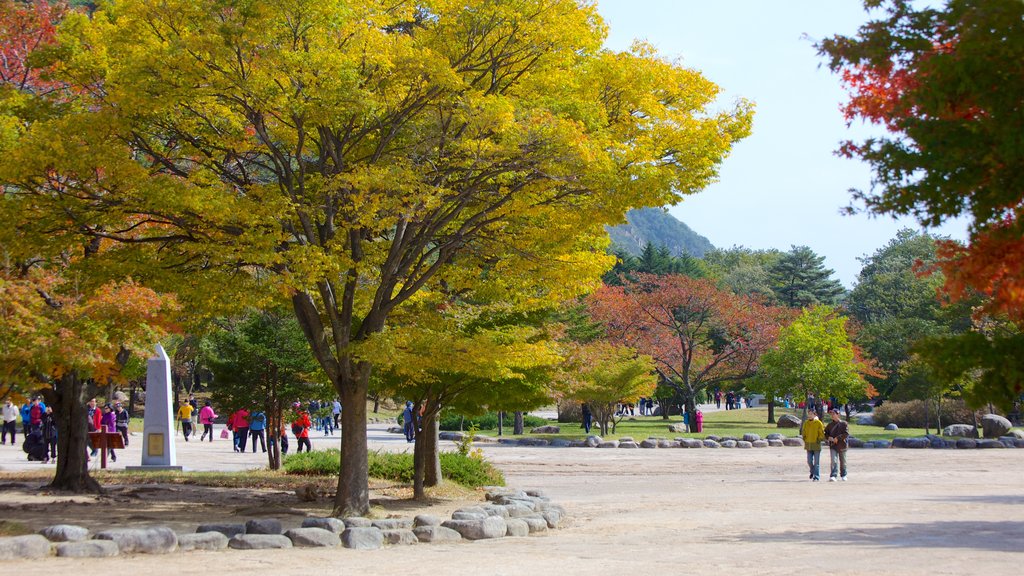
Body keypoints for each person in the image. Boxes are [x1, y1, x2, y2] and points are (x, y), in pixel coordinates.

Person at [825, 408, 850, 482]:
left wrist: (838, 438)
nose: (832, 415)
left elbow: (846, 434)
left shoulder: (844, 424)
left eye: (834, 414)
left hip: (842, 445)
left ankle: (844, 475)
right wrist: (828, 437)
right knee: (833, 461)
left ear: (838, 414)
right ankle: (833, 475)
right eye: (831, 414)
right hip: (833, 445)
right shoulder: (830, 425)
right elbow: (825, 433)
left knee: (843, 461)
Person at [801, 410, 825, 481]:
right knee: (809, 461)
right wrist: (804, 438)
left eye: (811, 414)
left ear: (815, 415)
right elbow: (804, 431)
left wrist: (819, 439)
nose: (810, 415)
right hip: (808, 444)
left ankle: (816, 476)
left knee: (816, 462)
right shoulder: (806, 423)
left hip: (816, 444)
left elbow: (821, 432)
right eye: (809, 414)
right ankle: (812, 471)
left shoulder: (818, 423)